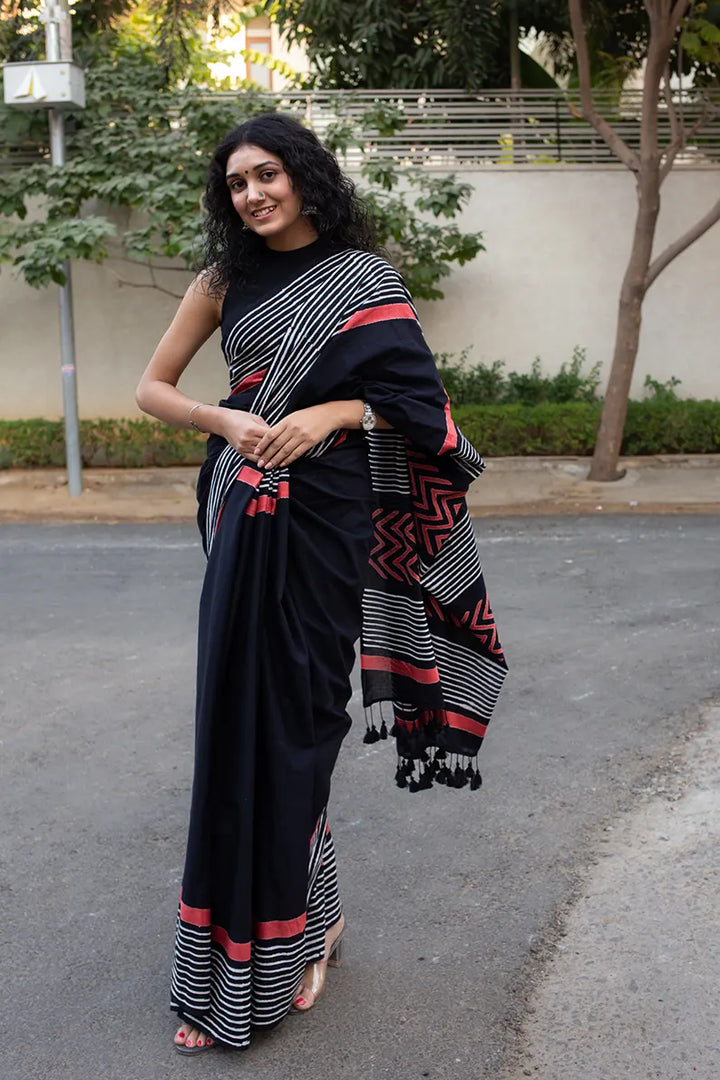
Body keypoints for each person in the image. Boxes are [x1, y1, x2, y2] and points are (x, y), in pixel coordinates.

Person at [136, 112, 508, 1056]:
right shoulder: (224, 281)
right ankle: (298, 926)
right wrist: (225, 426)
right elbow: (153, 388)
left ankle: (301, 928)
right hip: (241, 509)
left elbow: (425, 412)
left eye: (268, 175)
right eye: (236, 184)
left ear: (304, 176)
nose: (253, 195)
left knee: (298, 721)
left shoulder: (367, 282)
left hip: (330, 518)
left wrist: (337, 408)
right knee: (237, 721)